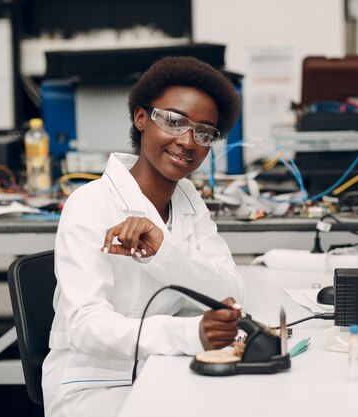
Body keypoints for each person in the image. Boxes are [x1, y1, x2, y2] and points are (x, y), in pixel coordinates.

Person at [42, 56, 246, 417]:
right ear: (141, 119)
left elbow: (230, 294)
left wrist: (162, 251)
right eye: (173, 121)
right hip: (93, 387)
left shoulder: (187, 199)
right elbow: (85, 327)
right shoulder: (90, 204)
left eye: (204, 132)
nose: (187, 141)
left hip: (160, 368)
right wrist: (190, 334)